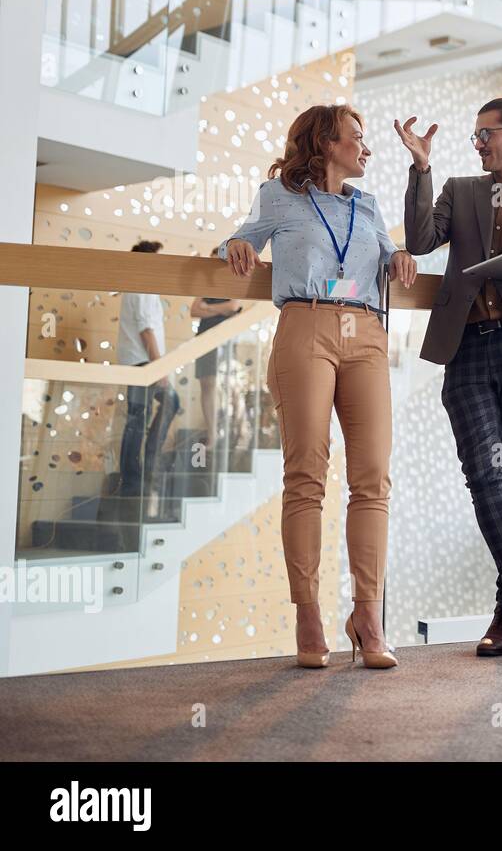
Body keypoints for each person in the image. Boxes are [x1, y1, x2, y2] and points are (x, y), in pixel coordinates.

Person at [220, 104, 418, 669]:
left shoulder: (369, 206)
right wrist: (234, 245)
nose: (366, 147)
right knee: (306, 474)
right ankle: (309, 616)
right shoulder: (278, 195)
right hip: (305, 324)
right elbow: (241, 240)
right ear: (326, 143)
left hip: (366, 331)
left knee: (373, 477)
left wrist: (400, 254)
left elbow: (387, 255)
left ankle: (368, 615)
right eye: (356, 137)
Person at [395, 96, 502, 659]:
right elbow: (422, 241)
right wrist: (421, 168)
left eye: (485, 135)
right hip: (467, 346)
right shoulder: (461, 190)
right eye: (474, 138)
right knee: (483, 471)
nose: (478, 145)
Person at [116, 241, 180, 516]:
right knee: (141, 417)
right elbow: (146, 330)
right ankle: (136, 474)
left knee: (138, 418)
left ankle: (140, 469)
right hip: (143, 363)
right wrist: (161, 368)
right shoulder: (141, 285)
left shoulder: (140, 285)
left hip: (140, 362)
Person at [189, 250, 243, 457]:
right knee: (207, 384)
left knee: (230, 386)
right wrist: (221, 309)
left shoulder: (234, 279)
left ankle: (239, 431)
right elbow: (194, 310)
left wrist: (209, 308)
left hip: (225, 340)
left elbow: (234, 305)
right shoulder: (205, 283)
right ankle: (212, 434)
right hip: (204, 338)